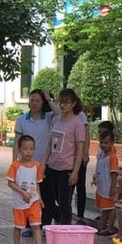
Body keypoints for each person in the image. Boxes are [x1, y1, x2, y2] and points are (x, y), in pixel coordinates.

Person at [43, 88, 86, 226]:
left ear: (73, 104)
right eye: (61, 102)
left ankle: (65, 228)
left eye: (66, 102)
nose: (63, 105)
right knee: (54, 198)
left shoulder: (77, 123)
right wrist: (44, 164)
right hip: (53, 166)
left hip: (67, 167)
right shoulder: (55, 120)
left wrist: (75, 171)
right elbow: (50, 144)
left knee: (64, 202)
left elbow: (80, 149)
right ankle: (60, 224)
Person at [13, 89, 53, 234]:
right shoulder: (21, 120)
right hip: (26, 165)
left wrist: (49, 99)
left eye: (38, 101)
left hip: (45, 163)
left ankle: (45, 226)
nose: (35, 103)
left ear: (42, 103)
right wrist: (15, 162)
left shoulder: (49, 118)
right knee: (27, 194)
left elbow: (60, 113)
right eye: (32, 100)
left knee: (46, 196)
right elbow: (17, 142)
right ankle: (29, 226)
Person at [6, 134, 45, 244]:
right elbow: (10, 183)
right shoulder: (15, 166)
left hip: (34, 201)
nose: (28, 151)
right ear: (19, 149)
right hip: (19, 203)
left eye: (31, 149)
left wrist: (40, 198)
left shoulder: (37, 166)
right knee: (18, 227)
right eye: (25, 149)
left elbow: (37, 183)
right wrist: (22, 192)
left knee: (36, 226)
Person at [93, 130, 119, 236]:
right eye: (101, 142)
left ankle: (106, 227)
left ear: (111, 143)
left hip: (107, 187)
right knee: (105, 208)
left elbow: (114, 173)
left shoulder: (112, 157)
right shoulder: (102, 155)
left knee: (109, 208)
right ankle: (104, 226)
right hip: (101, 187)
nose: (103, 145)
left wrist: (113, 186)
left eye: (106, 142)